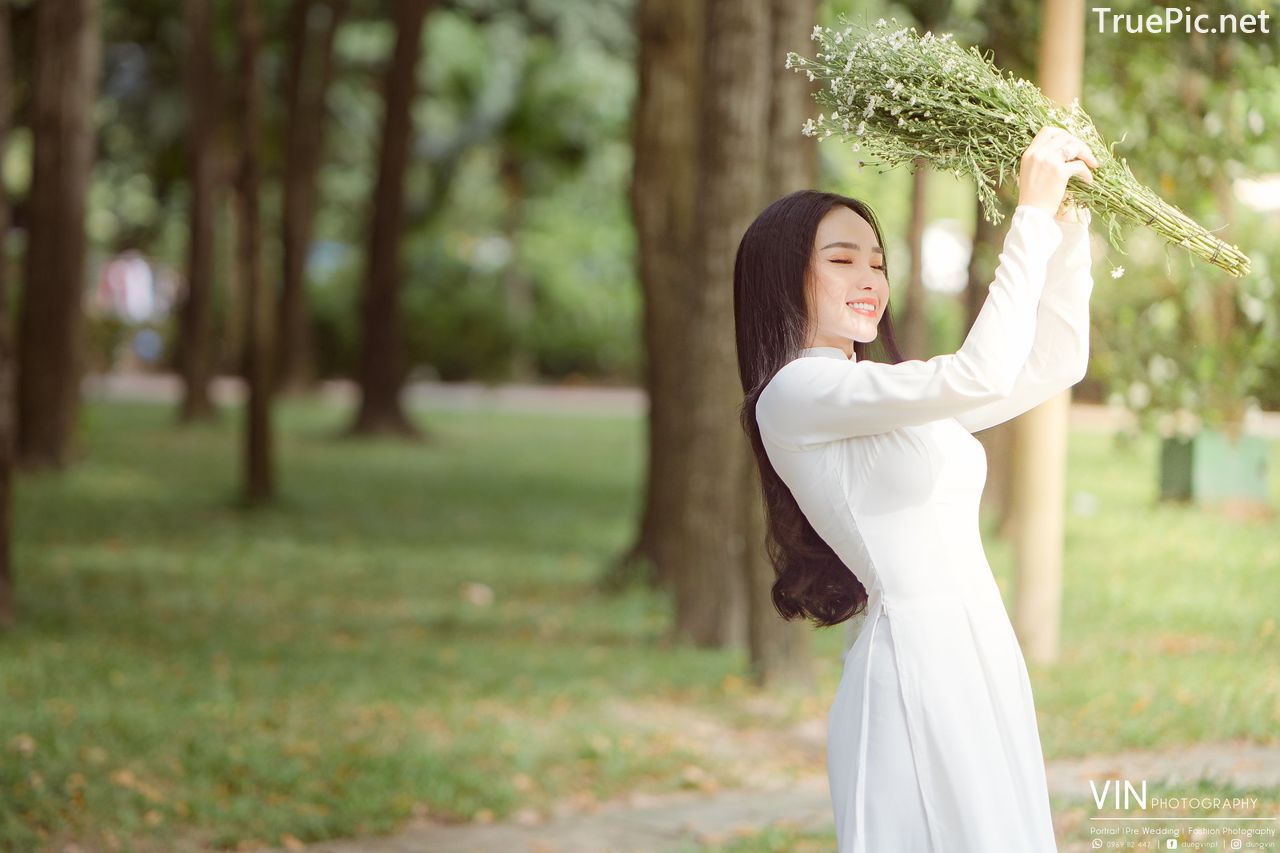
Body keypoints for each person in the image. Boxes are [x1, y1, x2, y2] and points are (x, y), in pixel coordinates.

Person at [732, 125, 1098, 852]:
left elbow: (1056, 361)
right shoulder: (796, 392)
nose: (869, 279)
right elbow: (980, 373)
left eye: (877, 262)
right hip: (913, 671)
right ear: (783, 276)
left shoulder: (879, 393)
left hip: (980, 652)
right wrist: (1026, 216)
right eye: (842, 260)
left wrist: (1069, 224)